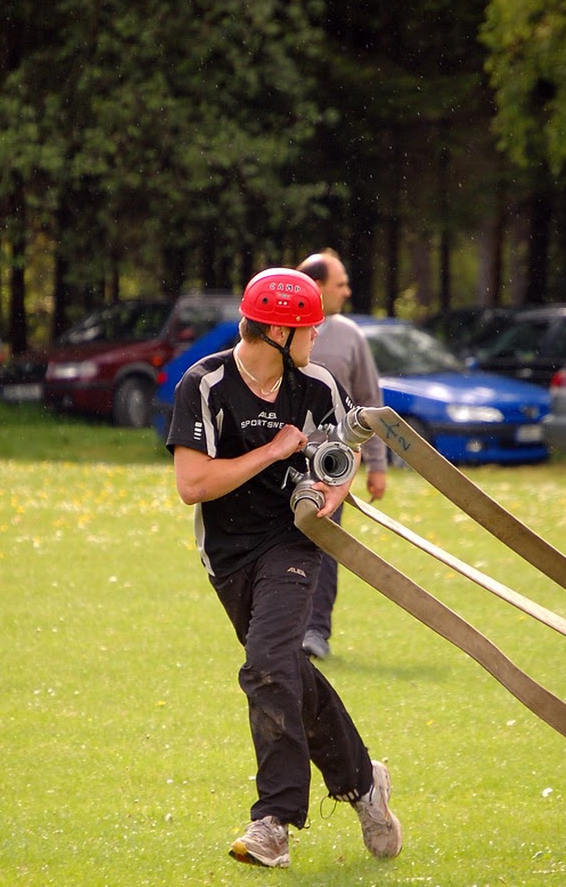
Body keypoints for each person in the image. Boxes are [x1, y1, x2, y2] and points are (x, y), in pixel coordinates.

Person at [167, 267, 402, 869]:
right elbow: (193, 484)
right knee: (286, 669)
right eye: (307, 327)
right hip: (228, 553)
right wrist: (272, 450)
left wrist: (336, 490)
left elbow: (341, 453)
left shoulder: (318, 383)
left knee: (269, 664)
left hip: (295, 542)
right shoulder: (205, 383)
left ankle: (274, 821)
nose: (317, 335)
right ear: (275, 330)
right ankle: (362, 782)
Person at [297, 250, 387, 660]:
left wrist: (377, 464)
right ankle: (280, 628)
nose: (347, 291)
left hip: (331, 466)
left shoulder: (350, 335)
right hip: (273, 460)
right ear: (315, 287)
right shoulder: (276, 331)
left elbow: (370, 402)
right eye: (340, 284)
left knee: (325, 547)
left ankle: (316, 631)